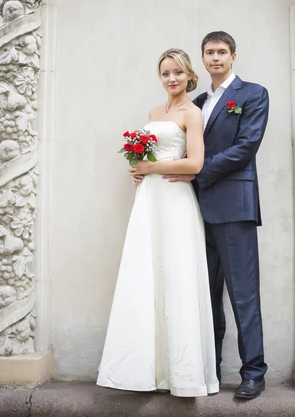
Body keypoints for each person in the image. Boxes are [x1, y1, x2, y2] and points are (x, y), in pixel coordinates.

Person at [97, 49, 219, 397]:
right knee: (146, 273)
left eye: (177, 72)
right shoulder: (154, 112)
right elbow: (147, 156)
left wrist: (151, 167)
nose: (171, 79)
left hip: (175, 200)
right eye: (165, 73)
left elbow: (195, 163)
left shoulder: (191, 114)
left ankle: (182, 375)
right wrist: (138, 168)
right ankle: (146, 370)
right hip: (149, 198)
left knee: (176, 273)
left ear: (188, 75)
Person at [163, 31, 269, 400]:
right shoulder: (197, 101)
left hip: (234, 208)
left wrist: (198, 172)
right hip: (194, 210)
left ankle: (254, 373)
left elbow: (245, 147)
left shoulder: (253, 94)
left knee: (243, 295)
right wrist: (148, 167)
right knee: (203, 296)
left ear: (233, 56)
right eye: (209, 52)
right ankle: (209, 371)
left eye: (222, 52)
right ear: (203, 59)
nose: (216, 58)